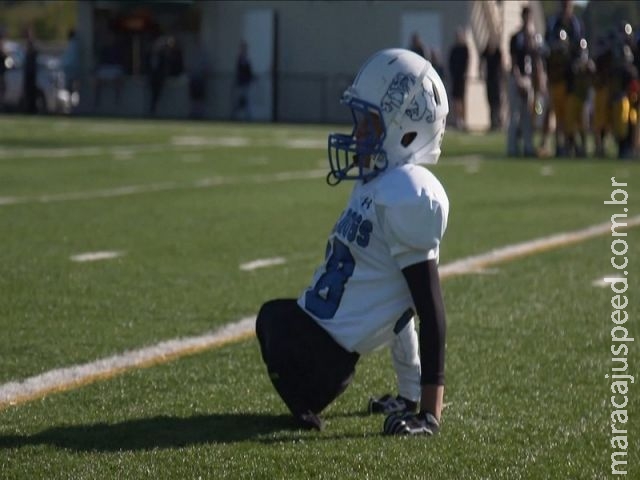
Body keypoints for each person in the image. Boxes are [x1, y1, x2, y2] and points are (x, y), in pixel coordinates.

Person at [256, 48, 450, 436]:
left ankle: (426, 411)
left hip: (323, 363)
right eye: (359, 121)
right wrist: (407, 395)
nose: (358, 134)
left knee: (273, 320)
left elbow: (428, 307)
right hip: (317, 345)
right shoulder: (377, 185)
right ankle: (411, 398)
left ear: (405, 130)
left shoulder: (409, 192)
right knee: (275, 317)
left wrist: (429, 411)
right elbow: (403, 308)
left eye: (370, 125)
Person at [507, 6, 537, 157]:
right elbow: (513, 61)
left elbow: (535, 59)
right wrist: (518, 79)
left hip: (529, 78)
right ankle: (512, 148)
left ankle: (528, 146)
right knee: (514, 115)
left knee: (527, 115)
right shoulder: (516, 37)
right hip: (517, 78)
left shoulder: (532, 37)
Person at [480, 35, 504, 130]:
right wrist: (481, 72)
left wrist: (502, 77)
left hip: (497, 79)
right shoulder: (486, 52)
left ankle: (498, 121)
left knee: (497, 102)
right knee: (490, 100)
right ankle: (492, 122)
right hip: (489, 79)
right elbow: (481, 61)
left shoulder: (498, 52)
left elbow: (502, 64)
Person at [448, 27, 469, 129]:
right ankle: (457, 119)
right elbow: (450, 62)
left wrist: (464, 73)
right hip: (455, 77)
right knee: (455, 99)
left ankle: (462, 120)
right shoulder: (453, 49)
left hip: (461, 77)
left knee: (461, 99)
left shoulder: (465, 49)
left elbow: (467, 62)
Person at [231, 41, 254, 120]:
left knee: (246, 101)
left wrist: (251, 78)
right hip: (240, 83)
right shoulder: (240, 59)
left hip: (246, 83)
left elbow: (249, 71)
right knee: (239, 101)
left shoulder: (247, 59)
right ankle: (234, 116)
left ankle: (248, 117)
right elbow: (239, 71)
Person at [61, 29, 80, 108]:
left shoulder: (71, 45)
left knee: (70, 87)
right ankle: (72, 103)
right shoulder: (75, 44)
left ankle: (71, 103)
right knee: (73, 87)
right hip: (72, 67)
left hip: (68, 67)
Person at [23, 28, 38, 114]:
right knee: (27, 92)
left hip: (31, 72)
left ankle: (32, 109)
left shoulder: (32, 45)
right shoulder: (28, 44)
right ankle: (28, 108)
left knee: (31, 92)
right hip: (28, 72)